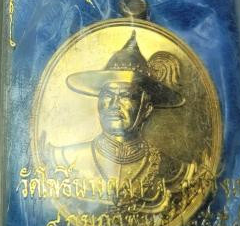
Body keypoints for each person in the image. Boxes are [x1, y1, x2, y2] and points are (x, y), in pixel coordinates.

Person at [47, 31, 195, 211]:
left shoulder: (175, 170)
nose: (114, 104)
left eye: (126, 96)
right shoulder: (64, 159)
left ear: (146, 109)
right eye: (108, 96)